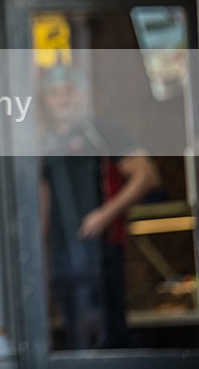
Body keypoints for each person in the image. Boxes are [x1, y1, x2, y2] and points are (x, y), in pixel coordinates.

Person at [38, 65, 160, 350]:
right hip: (62, 256)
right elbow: (43, 199)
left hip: (102, 249)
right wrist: (40, 255)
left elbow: (147, 175)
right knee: (76, 335)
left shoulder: (101, 131)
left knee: (109, 333)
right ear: (45, 99)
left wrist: (104, 216)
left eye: (69, 92)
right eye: (54, 93)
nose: (62, 99)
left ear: (81, 95)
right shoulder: (46, 142)